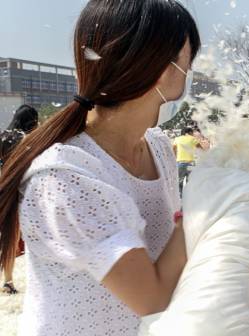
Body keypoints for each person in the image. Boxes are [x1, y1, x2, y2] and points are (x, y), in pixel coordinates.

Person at [0, 1, 201, 335]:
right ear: (163, 71)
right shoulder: (65, 177)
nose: (189, 73)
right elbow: (151, 298)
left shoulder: (158, 146)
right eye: (188, 61)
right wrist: (207, 207)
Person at [0, 104, 39, 294]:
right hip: (21, 193)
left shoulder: (2, 136)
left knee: (6, 236)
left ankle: (8, 281)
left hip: (2, 189)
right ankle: (11, 282)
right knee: (18, 236)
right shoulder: (26, 139)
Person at [173, 126, 202, 195]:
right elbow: (200, 149)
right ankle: (189, 197)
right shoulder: (192, 139)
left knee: (179, 181)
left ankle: (180, 197)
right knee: (190, 182)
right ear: (188, 132)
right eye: (192, 133)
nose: (192, 134)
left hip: (180, 162)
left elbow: (173, 149)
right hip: (191, 163)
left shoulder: (177, 139)